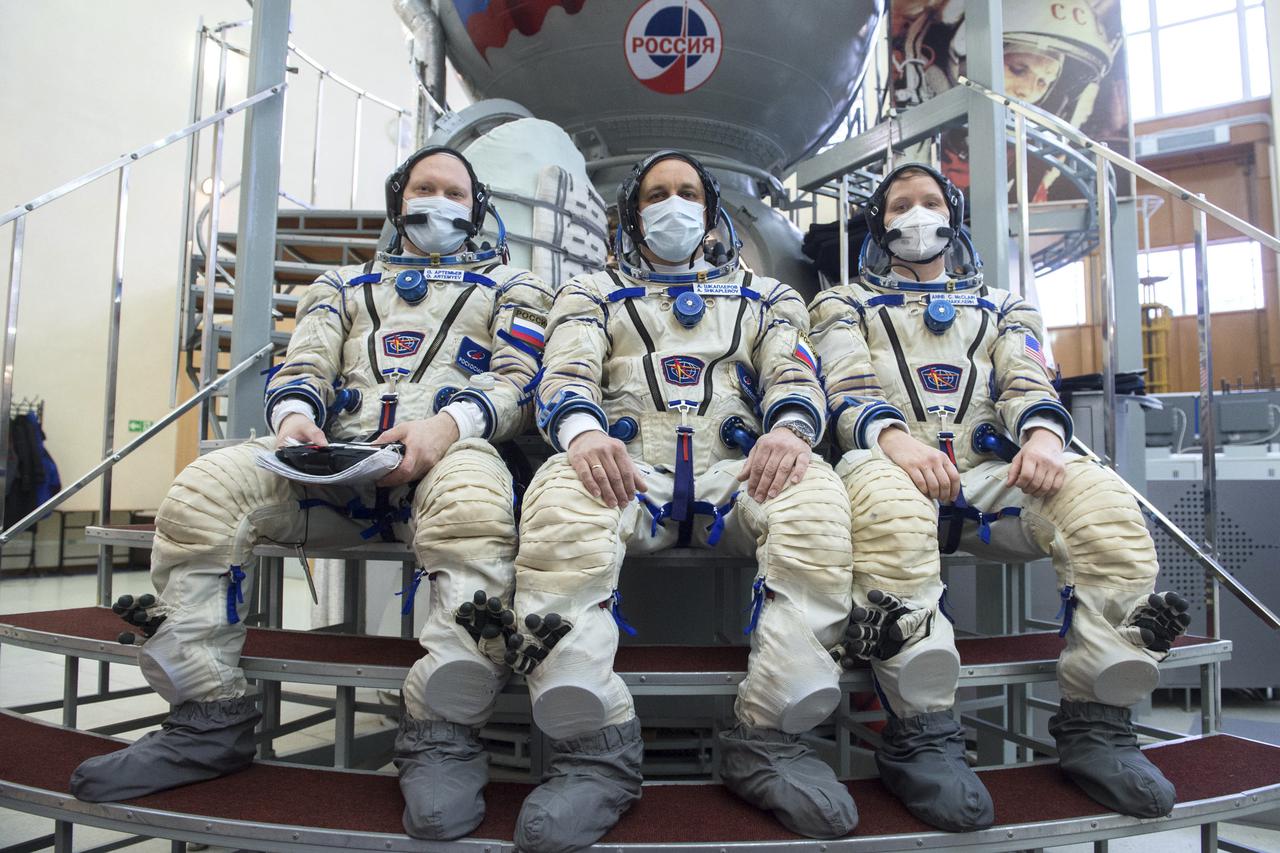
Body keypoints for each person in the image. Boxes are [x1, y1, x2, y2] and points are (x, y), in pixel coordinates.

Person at [70, 147, 552, 843]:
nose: (439, 202)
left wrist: (443, 428)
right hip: (334, 461)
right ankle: (207, 722)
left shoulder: (515, 287)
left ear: (476, 209)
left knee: (474, 509)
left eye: (455, 192)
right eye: (425, 187)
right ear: (398, 200)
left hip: (448, 452)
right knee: (205, 491)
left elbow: (517, 382)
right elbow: (303, 366)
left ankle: (442, 738)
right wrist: (295, 420)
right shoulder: (340, 285)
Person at [811, 163, 1191, 825]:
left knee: (1100, 502)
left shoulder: (1005, 307)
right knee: (890, 507)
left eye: (931, 202)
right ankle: (921, 735)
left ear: (953, 216)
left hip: (987, 477)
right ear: (879, 223)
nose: (918, 214)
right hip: (887, 465)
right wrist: (898, 442)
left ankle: (1098, 725)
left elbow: (1026, 380)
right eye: (901, 204)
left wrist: (1043, 439)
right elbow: (846, 386)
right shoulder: (842, 304)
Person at [501, 150, 856, 851]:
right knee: (561, 502)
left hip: (739, 471)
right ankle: (593, 751)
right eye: (657, 194)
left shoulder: (768, 298)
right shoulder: (590, 293)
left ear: (712, 210)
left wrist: (789, 430)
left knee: (815, 503)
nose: (673, 205)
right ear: (633, 215)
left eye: (687, 192)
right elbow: (565, 374)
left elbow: (795, 375)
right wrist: (582, 433)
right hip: (627, 471)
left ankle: (769, 740)